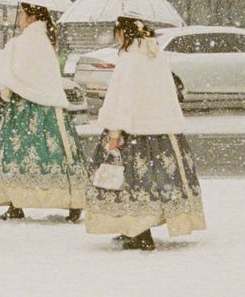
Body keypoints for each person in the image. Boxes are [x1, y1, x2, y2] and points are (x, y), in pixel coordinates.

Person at [85, 17, 205, 250]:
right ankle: (143, 228)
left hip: (133, 130)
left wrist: (114, 133)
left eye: (116, 32)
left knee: (130, 182)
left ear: (123, 33)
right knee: (156, 182)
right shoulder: (155, 55)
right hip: (163, 130)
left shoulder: (129, 60)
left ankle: (138, 232)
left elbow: (122, 99)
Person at [0, 3, 84, 222]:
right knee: (56, 152)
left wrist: (10, 51)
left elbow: (16, 72)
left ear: (31, 17)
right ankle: (70, 201)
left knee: (16, 152)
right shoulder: (44, 40)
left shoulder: (26, 42)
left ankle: (16, 201)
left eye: (22, 14)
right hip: (50, 108)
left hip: (24, 106)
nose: (20, 18)